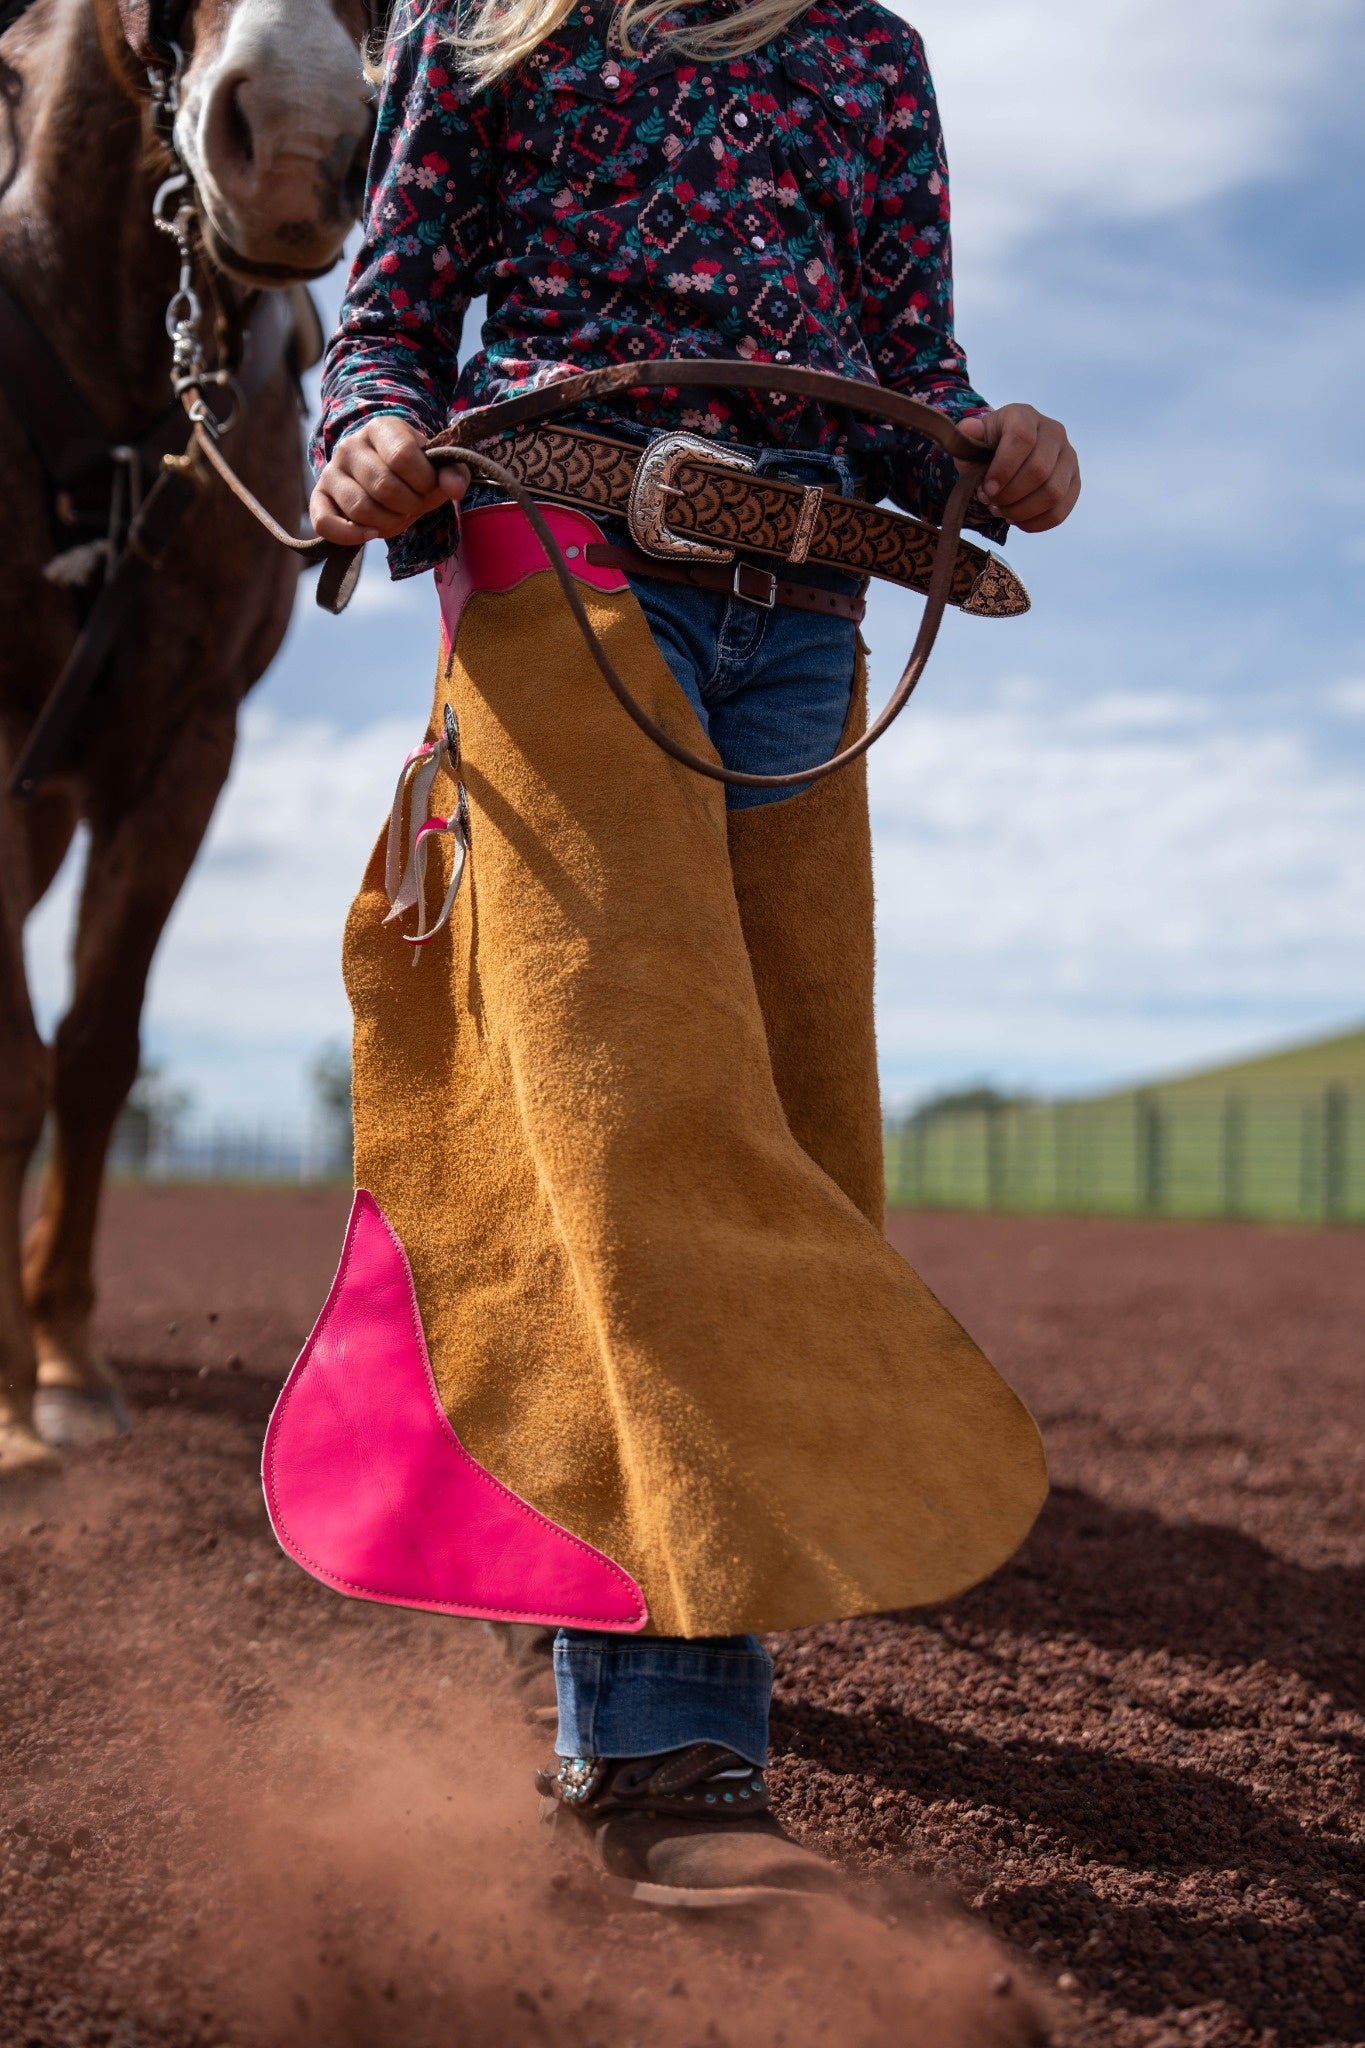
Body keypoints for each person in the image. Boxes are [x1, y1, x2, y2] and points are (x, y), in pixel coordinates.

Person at [303, 0, 1078, 1909]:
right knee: (637, 1140)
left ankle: (612, 1616)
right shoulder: (472, 27)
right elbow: (382, 314)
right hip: (559, 567)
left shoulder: (868, 58)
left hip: (808, 620)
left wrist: (992, 448)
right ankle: (664, 1759)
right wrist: (368, 431)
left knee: (791, 1139)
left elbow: (913, 371)